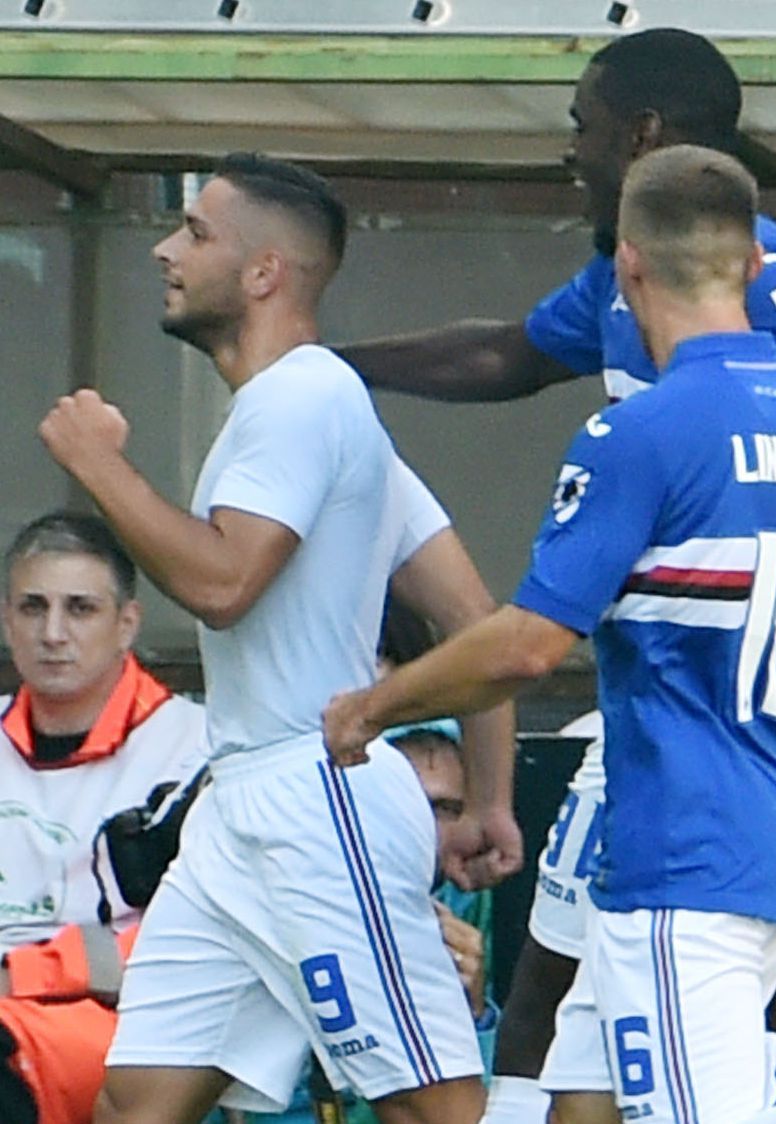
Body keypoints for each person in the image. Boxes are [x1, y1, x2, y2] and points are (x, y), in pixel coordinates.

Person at [337, 28, 776, 1122]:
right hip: (675, 717)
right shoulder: (624, 291)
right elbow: (511, 356)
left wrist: (722, 559)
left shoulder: (759, 280)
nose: (570, 148)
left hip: (731, 723)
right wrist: (336, 367)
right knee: (570, 1039)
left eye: (584, 124)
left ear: (644, 136)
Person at [38, 152, 520, 1124]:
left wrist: (99, 464)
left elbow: (223, 582)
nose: (167, 251)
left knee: (435, 1106)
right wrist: (491, 804)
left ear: (264, 272)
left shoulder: (304, 398)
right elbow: (476, 621)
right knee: (135, 1100)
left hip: (317, 800)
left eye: (197, 232)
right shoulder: (327, 414)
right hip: (241, 810)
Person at [0, 513, 209, 1124]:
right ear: (7, 619)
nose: (54, 633)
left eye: (81, 609)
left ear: (127, 625)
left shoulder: (195, 747)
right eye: (33, 608)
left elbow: (202, 935)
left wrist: (25, 974)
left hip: (123, 1019)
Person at [245, 717, 501, 1124]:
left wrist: (469, 1016)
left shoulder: (465, 900)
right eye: (406, 799)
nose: (424, 826)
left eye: (445, 809)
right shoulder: (286, 894)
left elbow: (488, 1107)